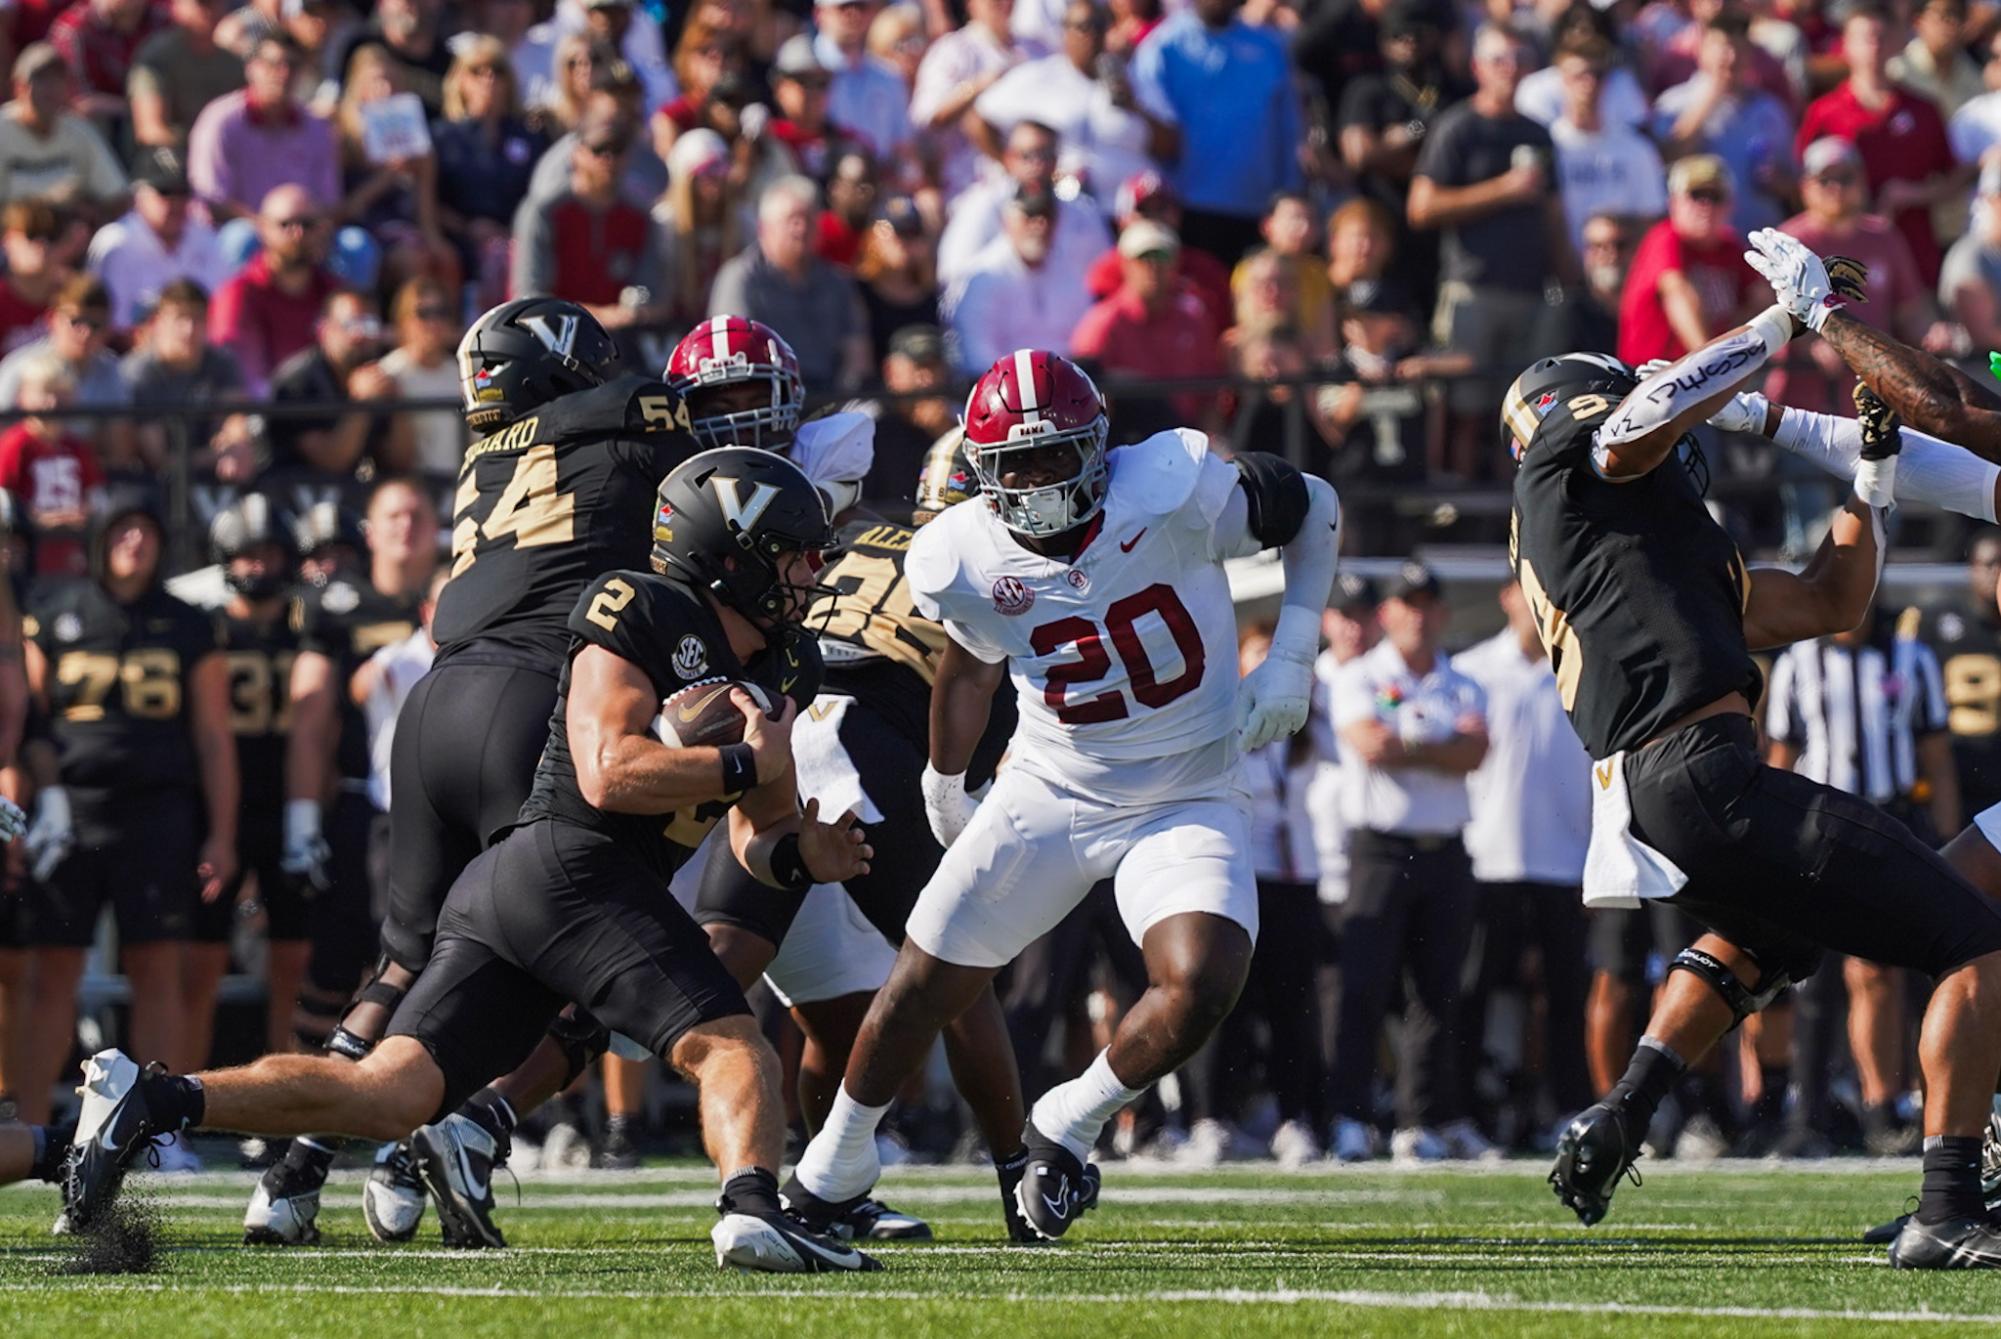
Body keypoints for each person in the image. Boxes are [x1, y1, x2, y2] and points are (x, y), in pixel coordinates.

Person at [65, 450, 879, 1279]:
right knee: (736, 1048)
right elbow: (610, 772)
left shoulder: (782, 663)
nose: (811, 572)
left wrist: (802, 852)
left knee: (387, 1095)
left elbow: (758, 833)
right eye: (795, 553)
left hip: (537, 887)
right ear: (731, 553)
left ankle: (155, 1097)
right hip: (572, 861)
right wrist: (740, 763)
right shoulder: (641, 606)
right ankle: (750, 1210)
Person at [781, 349, 1340, 1242]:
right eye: (1018, 463)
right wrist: (943, 777)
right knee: (922, 979)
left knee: (1200, 980)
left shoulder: (1169, 487)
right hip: (1051, 785)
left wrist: (1293, 653)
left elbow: (1316, 506)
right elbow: (968, 664)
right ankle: (831, 1168)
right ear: (981, 471)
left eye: (1056, 454)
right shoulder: (958, 551)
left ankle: (1065, 1123)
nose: (1038, 480)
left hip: (1185, 788)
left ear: (1100, 444)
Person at [1518, 247, 2001, 1268]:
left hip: (1667, 787)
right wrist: (1785, 327)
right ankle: (1951, 1200)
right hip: (1695, 766)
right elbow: (1954, 410)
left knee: (1776, 936)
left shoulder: (1656, 554)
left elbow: (1836, 598)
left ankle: (1625, 1109)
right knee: (1976, 940)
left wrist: (1848, 461)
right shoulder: (1574, 483)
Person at [244, 297, 704, 1247]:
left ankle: (291, 1178)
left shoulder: (486, 453)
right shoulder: (619, 418)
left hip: (435, 703)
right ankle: (419, 1149)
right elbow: (687, 421)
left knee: (400, 959)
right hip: (532, 702)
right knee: (542, 954)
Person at [15, 489, 236, 1158]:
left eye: (145, 530)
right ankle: (25, 1133)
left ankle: (162, 1133)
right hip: (70, 812)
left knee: (157, 970)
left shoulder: (189, 622)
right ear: (98, 538)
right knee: (52, 973)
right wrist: (29, 808)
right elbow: (27, 724)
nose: (134, 542)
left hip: (157, 814)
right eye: (122, 529)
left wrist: (220, 833)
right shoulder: (55, 613)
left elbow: (213, 735)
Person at [1764, 596, 1956, 1156]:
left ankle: (1882, 1107)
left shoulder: (1911, 657)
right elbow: (1781, 756)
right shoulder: (1798, 664)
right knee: (1813, 980)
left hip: (1890, 821)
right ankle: (1810, 1113)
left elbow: (1936, 758)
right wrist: (1770, 846)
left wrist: (1944, 848)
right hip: (1817, 827)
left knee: (1884, 974)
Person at [1327, 563, 1488, 1162]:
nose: (1417, 616)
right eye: (1406, 605)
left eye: (1427, 604)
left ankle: (1418, 1119)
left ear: (1442, 614)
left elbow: (1476, 752)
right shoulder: (1360, 675)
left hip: (1445, 850)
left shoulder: (1463, 681)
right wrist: (1439, 743)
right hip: (1381, 849)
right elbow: (1370, 745)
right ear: (1387, 615)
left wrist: (1413, 742)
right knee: (1362, 988)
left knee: (1436, 992)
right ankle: (1348, 1115)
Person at [279, 479, 433, 1077]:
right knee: (337, 963)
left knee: (418, 964)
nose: (406, 525)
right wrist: (301, 819)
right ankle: (294, 1104)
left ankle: (393, 1103)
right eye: (394, 514)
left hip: (437, 807)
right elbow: (310, 715)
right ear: (369, 530)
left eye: (418, 512)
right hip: (361, 805)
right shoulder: (339, 603)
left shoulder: (461, 593)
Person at [1453, 577, 1594, 1145]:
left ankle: (1567, 1110)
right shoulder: (1471, 670)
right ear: (1507, 597)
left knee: (1566, 999)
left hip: (1567, 864)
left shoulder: (1585, 671)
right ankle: (1464, 1113)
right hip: (1488, 862)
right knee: (1472, 997)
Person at [1409, 23, 1571, 482]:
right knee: (1465, 411)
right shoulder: (1458, 127)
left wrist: (1567, 276)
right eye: (1500, 60)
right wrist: (1502, 190)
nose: (1511, 70)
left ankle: (1514, 512)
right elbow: (1421, 207)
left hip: (1529, 292)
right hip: (1471, 290)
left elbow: (1553, 214)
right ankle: (1458, 514)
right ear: (1478, 67)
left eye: (1520, 60)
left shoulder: (1538, 134)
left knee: (1523, 414)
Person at [191, 495, 308, 1068]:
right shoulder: (205, 631)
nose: (258, 567)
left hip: (293, 803)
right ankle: (190, 1091)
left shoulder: (309, 626)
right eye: (246, 555)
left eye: (268, 554)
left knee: (296, 958)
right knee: (202, 959)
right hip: (217, 804)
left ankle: (283, 1096)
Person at [1128, 0, 1301, 263]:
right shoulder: (1163, 46)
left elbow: (1289, 129)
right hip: (1186, 209)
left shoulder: (1268, 47)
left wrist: (1289, 192)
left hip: (1256, 208)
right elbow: (1148, 130)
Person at [1794, 5, 1956, 286]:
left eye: (1881, 36)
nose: (1874, 46)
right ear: (1845, 44)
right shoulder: (1824, 112)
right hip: (1842, 264)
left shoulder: (1923, 109)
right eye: (1865, 37)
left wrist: (1912, 194)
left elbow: (1951, 178)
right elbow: (1804, 183)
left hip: (1914, 252)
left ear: (1897, 41)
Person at [973, 0, 1176, 213]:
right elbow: (979, 119)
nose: (1092, 35)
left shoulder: (1131, 76)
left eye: (1099, 26)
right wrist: (1013, 168)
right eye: (1083, 27)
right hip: (1064, 213)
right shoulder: (1040, 76)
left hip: (1128, 211)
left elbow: (1171, 145)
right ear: (1065, 32)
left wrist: (1134, 105)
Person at [707, 176, 870, 392]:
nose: (801, 229)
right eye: (793, 220)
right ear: (764, 228)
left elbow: (857, 353)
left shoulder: (837, 282)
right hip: (768, 397)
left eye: (809, 220)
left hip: (832, 398)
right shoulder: (740, 279)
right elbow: (733, 354)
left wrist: (844, 399)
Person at [1069, 218, 1224, 428]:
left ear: (1175, 263)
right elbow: (1082, 395)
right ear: (1125, 264)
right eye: (1143, 258)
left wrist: (1211, 443)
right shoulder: (1103, 322)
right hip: (1124, 440)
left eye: (1161, 257)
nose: (1153, 267)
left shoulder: (1194, 318)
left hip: (1188, 441)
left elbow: (1210, 398)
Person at [1652, 13, 1795, 240]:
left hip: (1758, 246)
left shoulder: (1770, 110)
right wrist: (1712, 95)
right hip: (1699, 249)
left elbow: (1794, 185)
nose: (1731, 57)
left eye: (1740, 48)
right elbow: (1667, 158)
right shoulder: (1673, 105)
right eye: (1722, 47)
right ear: (1701, 49)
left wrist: (1777, 182)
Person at [433, 38, 545, 310]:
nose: (488, 79)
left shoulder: (529, 138)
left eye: (497, 70)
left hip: (517, 235)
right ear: (459, 80)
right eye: (476, 71)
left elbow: (538, 196)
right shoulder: (442, 136)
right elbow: (427, 200)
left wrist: (510, 230)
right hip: (458, 237)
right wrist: (467, 228)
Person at [1616, 155, 1757, 369]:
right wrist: (1713, 365)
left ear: (1730, 205)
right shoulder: (1665, 239)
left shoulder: (1730, 246)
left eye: (1715, 196)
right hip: (1653, 376)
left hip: (1707, 376)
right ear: (1673, 203)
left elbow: (1759, 301)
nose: (1705, 205)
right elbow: (1677, 293)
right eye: (1696, 194)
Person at [186, 35, 341, 226]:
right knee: (240, 238)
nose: (283, 73)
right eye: (273, 64)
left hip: (304, 233)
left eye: (292, 65)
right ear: (251, 68)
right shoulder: (221, 121)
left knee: (354, 244)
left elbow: (327, 202)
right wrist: (267, 226)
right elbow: (210, 198)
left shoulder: (315, 127)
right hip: (240, 229)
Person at [936, 117, 1109, 287]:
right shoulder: (981, 206)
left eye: (1045, 155)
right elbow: (953, 274)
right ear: (1009, 158)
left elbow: (1102, 269)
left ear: (1056, 161)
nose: (1037, 164)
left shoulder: (1080, 211)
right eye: (1027, 156)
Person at [946, 182, 1096, 377]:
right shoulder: (984, 276)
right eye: (1030, 216)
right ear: (1007, 221)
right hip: (1005, 390)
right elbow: (977, 355)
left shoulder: (1070, 270)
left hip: (1062, 385)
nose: (1040, 225)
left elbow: (1082, 339)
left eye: (1047, 216)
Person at [206, 184, 341, 397]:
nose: (297, 234)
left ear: (323, 228)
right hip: (267, 416)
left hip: (329, 415)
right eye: (285, 224)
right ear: (262, 228)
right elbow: (234, 374)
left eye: (307, 224)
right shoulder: (238, 294)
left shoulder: (336, 294)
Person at [909, 0, 1041, 201]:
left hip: (1030, 181)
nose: (1003, 4)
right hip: (968, 186)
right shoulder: (953, 49)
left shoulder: (1036, 48)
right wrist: (978, 88)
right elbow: (928, 117)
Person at [86, 147, 229, 332]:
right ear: (138, 195)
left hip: (198, 353)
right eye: (164, 192)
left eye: (182, 193)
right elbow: (113, 329)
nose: (175, 202)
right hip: (127, 357)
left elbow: (223, 315)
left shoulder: (205, 237)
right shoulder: (116, 242)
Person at [1548, 33, 1666, 255]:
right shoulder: (1551, 147)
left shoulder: (1636, 150)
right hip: (1563, 276)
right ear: (1562, 79)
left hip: (1623, 273)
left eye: (1597, 74)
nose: (1589, 83)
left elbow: (1651, 220)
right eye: (1579, 75)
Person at [118, 279, 249, 477]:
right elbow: (160, 460)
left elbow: (235, 419)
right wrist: (214, 456)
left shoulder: (221, 362)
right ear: (158, 322)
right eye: (180, 318)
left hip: (212, 475)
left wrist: (237, 447)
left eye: (197, 319)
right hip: (153, 486)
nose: (188, 330)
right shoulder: (139, 373)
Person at [0, 356, 102, 579]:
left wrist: (84, 515)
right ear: (22, 397)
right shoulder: (15, 444)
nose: (52, 402)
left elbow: (95, 496)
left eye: (59, 392)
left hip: (72, 554)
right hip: (28, 555)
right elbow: (4, 498)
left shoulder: (77, 447)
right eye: (44, 392)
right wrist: (34, 520)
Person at [0, 44, 126, 219]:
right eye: (41, 79)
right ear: (18, 87)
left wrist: (90, 216)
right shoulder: (3, 129)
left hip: (72, 234)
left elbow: (116, 195)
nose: (50, 89)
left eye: (57, 79)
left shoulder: (79, 131)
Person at [375, 277, 466, 477]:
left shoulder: (464, 374)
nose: (434, 323)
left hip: (459, 488)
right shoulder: (386, 375)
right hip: (412, 494)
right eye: (423, 313)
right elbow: (389, 458)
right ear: (403, 320)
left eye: (441, 312)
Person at [128, 0, 244, 153]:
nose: (208, 11)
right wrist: (201, 146)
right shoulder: (157, 57)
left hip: (221, 157)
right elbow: (150, 130)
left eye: (214, 3)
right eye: (201, 4)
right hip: (168, 160)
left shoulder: (232, 64)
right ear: (178, 6)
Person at [812, 0, 911, 161]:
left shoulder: (889, 77)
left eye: (861, 7)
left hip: (880, 180)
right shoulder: (802, 73)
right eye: (843, 8)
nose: (853, 14)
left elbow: (902, 148)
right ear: (818, 14)